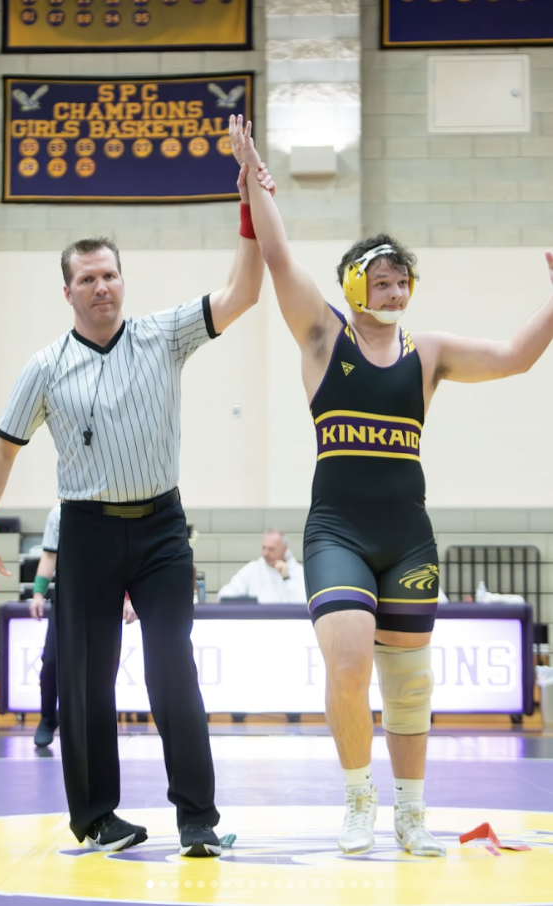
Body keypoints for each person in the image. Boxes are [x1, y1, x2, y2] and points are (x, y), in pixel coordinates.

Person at [229, 114, 553, 858]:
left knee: (409, 686)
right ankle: (357, 798)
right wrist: (253, 177)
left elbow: (511, 358)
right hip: (338, 531)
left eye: (403, 279)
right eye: (383, 278)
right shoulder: (323, 337)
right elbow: (276, 256)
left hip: (407, 535)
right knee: (346, 661)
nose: (396, 288)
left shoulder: (428, 353)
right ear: (353, 282)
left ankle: (411, 811)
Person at [0, 162, 275, 857]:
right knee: (84, 680)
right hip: (87, 533)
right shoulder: (44, 367)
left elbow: (244, 292)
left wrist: (248, 211)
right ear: (68, 290)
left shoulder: (163, 335)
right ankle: (97, 818)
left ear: (121, 280)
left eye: (111, 274)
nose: (102, 286)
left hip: (163, 529)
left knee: (173, 671)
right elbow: (1, 453)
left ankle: (197, 818)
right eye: (88, 278)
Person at [30, 503, 137, 748]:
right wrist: (38, 593)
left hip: (105, 595)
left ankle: (94, 723)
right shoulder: (59, 513)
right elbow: (49, 555)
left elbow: (128, 557)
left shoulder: (115, 509)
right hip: (68, 597)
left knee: (100, 664)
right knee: (52, 661)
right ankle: (47, 719)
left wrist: (130, 598)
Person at [218, 529, 306, 603]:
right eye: (264, 548)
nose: (265, 554)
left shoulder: (299, 572)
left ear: (284, 549)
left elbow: (304, 604)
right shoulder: (252, 569)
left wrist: (286, 578)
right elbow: (224, 595)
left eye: (271, 549)